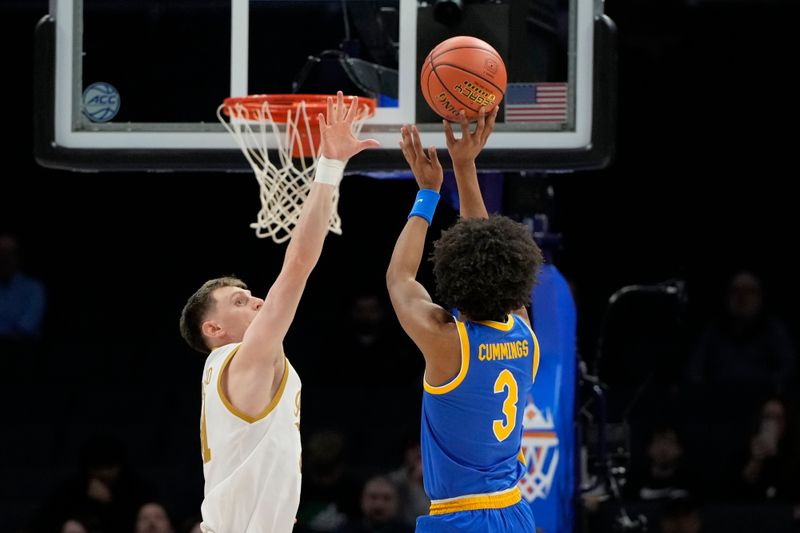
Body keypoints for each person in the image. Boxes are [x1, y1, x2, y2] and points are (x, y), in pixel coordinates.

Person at [178, 92, 379, 533]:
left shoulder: (227, 370)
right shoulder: (244, 357)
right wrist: (328, 165)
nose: (256, 300)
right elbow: (297, 266)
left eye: (250, 294)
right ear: (213, 328)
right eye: (239, 300)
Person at [386, 107, 543, 532]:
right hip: (515, 512)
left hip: (461, 517)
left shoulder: (447, 342)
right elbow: (487, 250)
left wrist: (428, 192)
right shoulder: (524, 333)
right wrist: (464, 166)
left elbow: (400, 278)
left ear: (452, 274)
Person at [0, 233, 46, 340]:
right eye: (1, 254)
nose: (4, 259)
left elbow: (26, 327)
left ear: (17, 257)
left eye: (9, 254)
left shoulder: (34, 289)